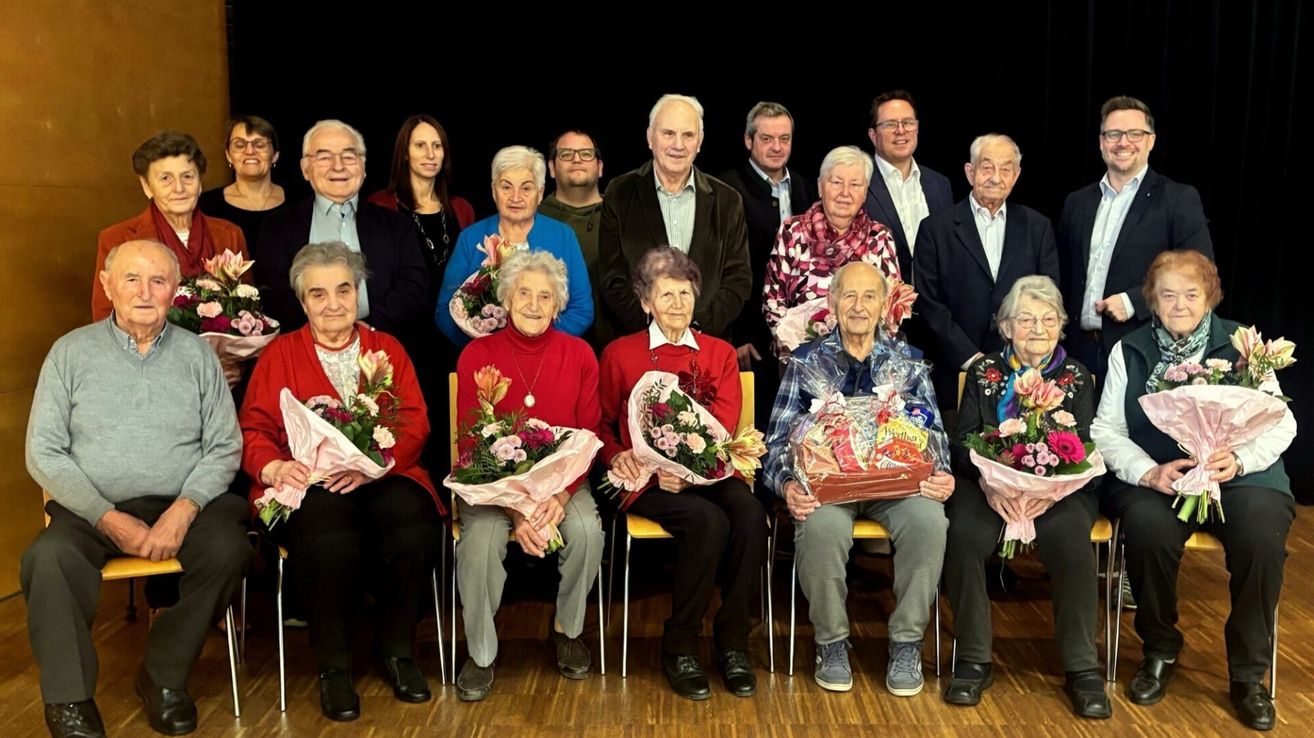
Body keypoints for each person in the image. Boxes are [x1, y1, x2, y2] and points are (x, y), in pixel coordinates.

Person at [25, 240, 248, 738]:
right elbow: (43, 452)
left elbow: (223, 448)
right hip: (92, 510)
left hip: (180, 505)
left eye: (157, 280)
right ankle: (69, 701)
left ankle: (163, 676)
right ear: (107, 286)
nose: (144, 292)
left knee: (230, 544)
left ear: (175, 289)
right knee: (47, 558)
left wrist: (184, 509)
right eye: (131, 279)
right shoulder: (70, 353)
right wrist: (106, 515)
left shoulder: (198, 355)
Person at [239, 242, 444, 722]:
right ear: (302, 301)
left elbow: (414, 422)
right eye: (318, 293)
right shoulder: (279, 354)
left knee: (415, 528)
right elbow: (253, 430)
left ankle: (398, 651)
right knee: (329, 540)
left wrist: (373, 464)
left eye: (343, 289)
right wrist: (273, 468)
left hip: (381, 474)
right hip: (309, 482)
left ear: (359, 292)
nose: (333, 303)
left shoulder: (386, 349)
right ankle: (334, 666)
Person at [1091, 250, 1295, 731]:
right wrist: (1148, 471)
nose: (1179, 304)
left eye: (1190, 294)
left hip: (1240, 476)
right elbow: (1106, 430)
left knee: (1262, 541)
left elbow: (1281, 421)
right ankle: (1160, 648)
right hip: (1165, 475)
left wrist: (1240, 459)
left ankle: (1248, 674)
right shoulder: (1131, 349)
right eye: (1167, 295)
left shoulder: (1243, 345)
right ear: (1152, 301)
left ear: (1210, 297)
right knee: (1145, 529)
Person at [764, 261, 955, 697]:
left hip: (898, 484)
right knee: (821, 527)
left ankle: (906, 642)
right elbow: (776, 441)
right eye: (848, 295)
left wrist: (940, 472)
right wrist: (788, 486)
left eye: (870, 296)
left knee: (930, 523)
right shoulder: (806, 362)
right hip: (829, 487)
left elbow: (935, 433)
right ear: (831, 304)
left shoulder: (907, 363)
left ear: (885, 304)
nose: (858, 305)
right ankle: (831, 642)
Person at [599, 247, 765, 700]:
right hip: (644, 477)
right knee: (707, 522)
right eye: (665, 294)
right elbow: (602, 422)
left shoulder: (719, 353)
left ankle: (733, 643)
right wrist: (619, 458)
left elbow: (725, 425)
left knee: (749, 515)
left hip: (709, 470)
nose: (677, 303)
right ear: (645, 301)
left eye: (685, 293)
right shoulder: (620, 353)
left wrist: (690, 473)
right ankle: (680, 646)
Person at [941, 275, 1109, 718]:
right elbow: (963, 442)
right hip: (988, 487)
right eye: (1026, 319)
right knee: (963, 536)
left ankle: (1081, 668)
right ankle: (974, 658)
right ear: (1006, 326)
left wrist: (1048, 494)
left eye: (1049, 319)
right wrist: (994, 485)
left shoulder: (1076, 376)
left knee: (1072, 540)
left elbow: (1087, 447)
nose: (1038, 328)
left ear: (1061, 325)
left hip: (1059, 491)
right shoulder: (985, 372)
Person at [451, 250, 605, 701]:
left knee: (586, 531)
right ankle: (480, 654)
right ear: (506, 298)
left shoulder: (579, 355)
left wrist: (559, 496)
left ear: (558, 305)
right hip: (490, 484)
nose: (534, 304)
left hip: (562, 482)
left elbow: (589, 433)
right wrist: (519, 510)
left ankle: (567, 629)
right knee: (479, 544)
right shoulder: (477, 354)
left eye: (545, 296)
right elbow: (469, 444)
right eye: (524, 293)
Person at [1057, 95, 1215, 379]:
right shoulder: (1076, 202)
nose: (1123, 142)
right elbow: (1064, 273)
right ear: (1102, 141)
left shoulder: (1178, 199)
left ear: (1151, 140)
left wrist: (1133, 302)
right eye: (1114, 134)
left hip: (1141, 349)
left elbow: (1201, 272)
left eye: (1135, 134)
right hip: (1076, 353)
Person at [913, 134, 1059, 406]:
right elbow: (928, 303)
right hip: (953, 370)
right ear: (970, 172)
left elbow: (1047, 299)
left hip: (1022, 373)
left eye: (1006, 169)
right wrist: (971, 359)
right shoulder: (935, 229)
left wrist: (1016, 357)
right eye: (987, 167)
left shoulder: (1038, 227)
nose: (996, 177)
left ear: (1016, 175)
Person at [255, 119, 429, 347]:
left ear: (363, 168)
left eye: (348, 156)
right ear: (305, 169)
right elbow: (272, 292)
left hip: (383, 346)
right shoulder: (277, 226)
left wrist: (368, 331)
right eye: (325, 157)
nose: (338, 166)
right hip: (304, 350)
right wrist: (320, 335)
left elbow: (414, 289)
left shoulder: (397, 226)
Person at [598, 94, 751, 339]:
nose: (678, 145)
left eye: (688, 135)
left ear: (699, 142)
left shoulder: (727, 200)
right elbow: (612, 277)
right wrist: (655, 328)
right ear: (650, 138)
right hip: (639, 342)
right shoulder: (620, 192)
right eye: (668, 133)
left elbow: (738, 279)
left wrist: (695, 327)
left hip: (707, 343)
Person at [436, 146, 593, 347]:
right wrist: (484, 348)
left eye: (526, 188)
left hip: (548, 357)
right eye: (506, 187)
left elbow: (582, 309)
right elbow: (445, 310)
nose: (516, 197)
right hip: (486, 360)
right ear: (494, 191)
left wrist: (538, 345)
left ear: (540, 193)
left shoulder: (563, 236)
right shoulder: (470, 238)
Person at [93, 131, 247, 321]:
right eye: (165, 179)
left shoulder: (229, 234)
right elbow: (105, 316)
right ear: (147, 186)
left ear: (200, 183)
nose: (179, 188)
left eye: (188, 177)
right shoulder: (116, 239)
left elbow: (247, 307)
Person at [762, 145, 898, 356]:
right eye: (836, 182)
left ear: (865, 191)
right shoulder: (793, 231)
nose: (845, 193)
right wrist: (796, 351)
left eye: (855, 184)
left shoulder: (879, 237)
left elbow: (892, 306)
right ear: (820, 186)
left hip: (866, 360)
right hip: (801, 359)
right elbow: (773, 301)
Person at [861, 90, 954, 281]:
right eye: (890, 124)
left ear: (917, 128)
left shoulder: (940, 184)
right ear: (873, 134)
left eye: (908, 123)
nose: (901, 130)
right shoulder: (858, 182)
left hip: (933, 303)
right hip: (879, 302)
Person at [539, 128, 611, 347]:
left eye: (586, 154)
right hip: (550, 347)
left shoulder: (620, 217)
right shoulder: (533, 219)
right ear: (551, 168)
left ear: (599, 167)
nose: (577, 159)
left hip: (613, 346)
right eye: (566, 154)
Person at [197, 115, 289, 249]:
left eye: (259, 145)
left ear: (275, 155)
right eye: (239, 145)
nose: (250, 151)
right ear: (228, 155)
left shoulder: (299, 203)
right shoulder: (205, 206)